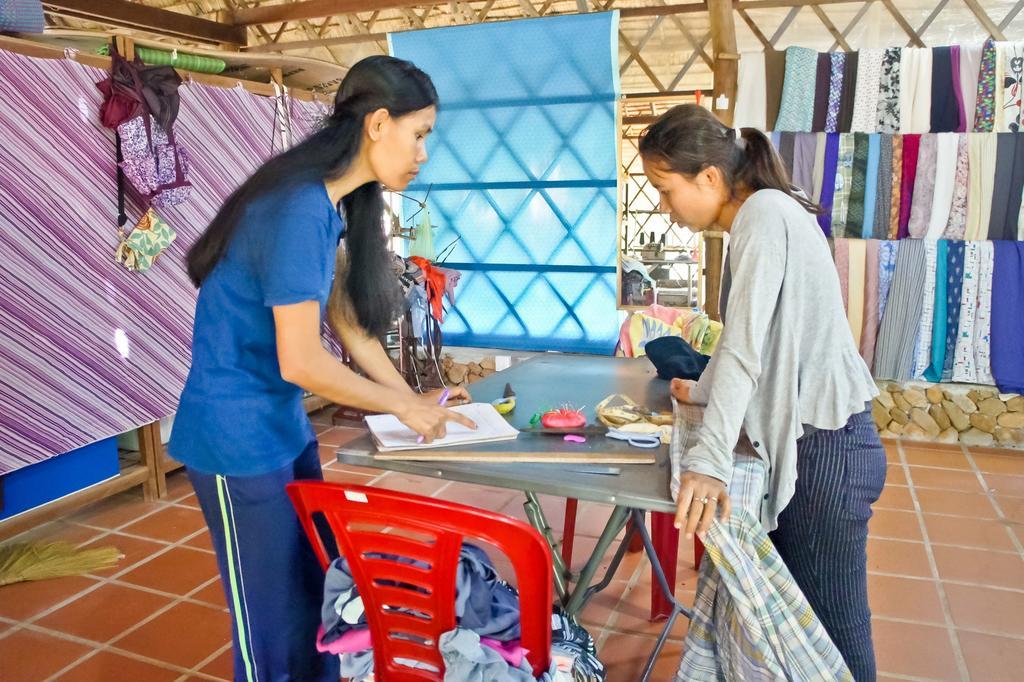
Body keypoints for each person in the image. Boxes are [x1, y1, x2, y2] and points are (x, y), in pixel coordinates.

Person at [168, 56, 475, 682]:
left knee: (315, 596)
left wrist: (419, 400)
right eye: (420, 135)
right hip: (233, 441)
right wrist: (401, 407)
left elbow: (350, 327)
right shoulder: (297, 209)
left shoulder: (333, 203)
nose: (423, 154)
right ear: (379, 124)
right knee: (269, 625)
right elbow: (301, 360)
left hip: (280, 430)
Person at [639, 104, 884, 681]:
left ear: (708, 177)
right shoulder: (760, 216)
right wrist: (701, 390)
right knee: (805, 627)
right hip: (824, 443)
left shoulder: (764, 218)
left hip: (827, 452)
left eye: (665, 189)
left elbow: (747, 350)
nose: (664, 208)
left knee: (832, 631)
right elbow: (748, 339)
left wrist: (708, 461)